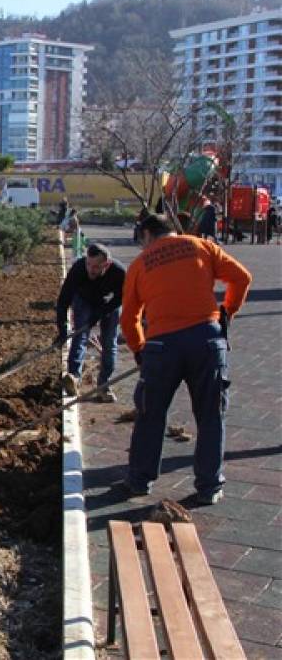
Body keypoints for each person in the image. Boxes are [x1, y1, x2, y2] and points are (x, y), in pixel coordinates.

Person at [119, 214, 252, 505]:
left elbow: (129, 318)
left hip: (161, 345)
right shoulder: (201, 246)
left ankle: (140, 480)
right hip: (206, 341)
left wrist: (140, 350)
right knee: (210, 416)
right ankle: (209, 487)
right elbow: (242, 278)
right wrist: (227, 312)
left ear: (148, 235)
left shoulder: (140, 264)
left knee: (150, 414)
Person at [56, 243, 126, 401]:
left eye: (96, 266)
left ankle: (104, 385)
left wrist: (102, 312)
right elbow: (63, 299)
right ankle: (73, 379)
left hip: (108, 302)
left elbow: (121, 298)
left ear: (106, 264)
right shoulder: (79, 269)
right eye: (89, 264)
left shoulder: (119, 272)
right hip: (83, 299)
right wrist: (62, 328)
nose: (91, 269)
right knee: (80, 336)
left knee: (109, 342)